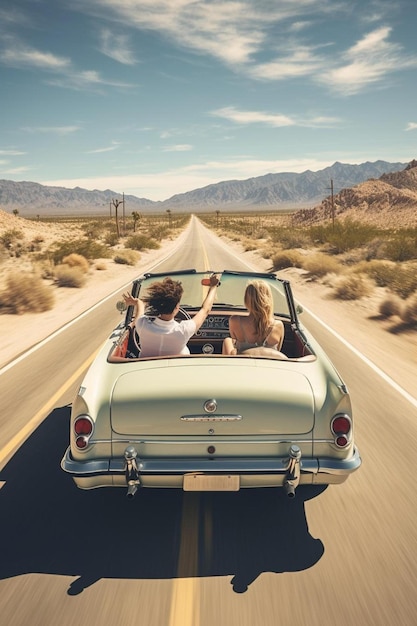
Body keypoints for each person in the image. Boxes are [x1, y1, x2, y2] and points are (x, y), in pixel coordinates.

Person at [122, 274, 220, 357]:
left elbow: (140, 310)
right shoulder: (184, 330)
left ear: (156, 306)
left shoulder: (142, 325)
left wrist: (138, 302)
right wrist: (214, 286)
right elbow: (205, 309)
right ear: (177, 307)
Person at [222, 280, 284, 355]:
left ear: (246, 300)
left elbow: (234, 344)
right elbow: (277, 352)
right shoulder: (278, 326)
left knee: (228, 341)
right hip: (268, 366)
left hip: (243, 365)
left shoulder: (235, 321)